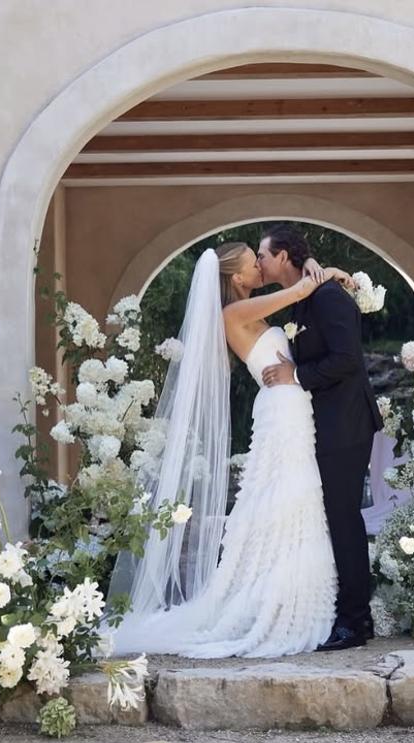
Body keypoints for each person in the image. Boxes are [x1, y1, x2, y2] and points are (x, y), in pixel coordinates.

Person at [109, 240, 354, 658]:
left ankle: (288, 591)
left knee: (289, 496)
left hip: (290, 404)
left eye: (260, 259)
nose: (259, 267)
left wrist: (316, 264)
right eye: (251, 263)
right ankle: (275, 597)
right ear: (236, 277)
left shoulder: (250, 307)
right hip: (282, 409)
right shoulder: (233, 313)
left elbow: (298, 291)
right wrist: (323, 270)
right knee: (286, 494)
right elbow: (299, 291)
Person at [259, 224, 382, 651]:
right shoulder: (304, 298)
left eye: (264, 255)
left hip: (346, 424)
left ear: (285, 257)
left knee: (344, 518)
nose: (259, 262)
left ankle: (355, 622)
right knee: (334, 517)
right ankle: (350, 615)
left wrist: (297, 375)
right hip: (324, 424)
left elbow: (347, 360)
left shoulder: (328, 297)